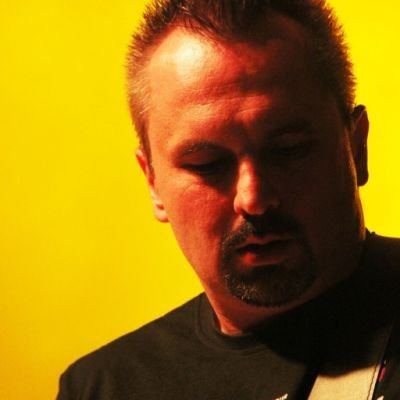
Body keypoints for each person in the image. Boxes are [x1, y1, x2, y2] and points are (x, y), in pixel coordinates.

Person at [57, 0, 400, 398]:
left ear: (357, 147)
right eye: (207, 165)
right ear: (153, 183)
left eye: (287, 150)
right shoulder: (102, 387)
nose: (253, 198)